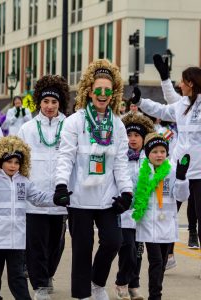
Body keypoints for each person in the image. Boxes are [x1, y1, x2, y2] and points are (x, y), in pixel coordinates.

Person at [54, 59, 133, 300]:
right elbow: (65, 157)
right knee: (82, 249)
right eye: (98, 89)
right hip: (79, 198)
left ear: (113, 94)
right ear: (89, 92)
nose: (102, 94)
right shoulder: (73, 122)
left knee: (113, 241)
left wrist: (127, 193)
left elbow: (120, 162)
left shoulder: (118, 125)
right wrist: (61, 185)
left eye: (107, 91)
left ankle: (98, 281)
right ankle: (82, 295)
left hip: (107, 197)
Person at [0, 135, 56, 300]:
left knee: (17, 277)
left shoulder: (23, 181)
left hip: (16, 239)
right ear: (0, 160)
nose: (13, 166)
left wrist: (57, 199)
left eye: (17, 162)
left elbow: (39, 198)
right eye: (9, 161)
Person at [132, 56, 201, 260]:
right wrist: (140, 101)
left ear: (191, 83)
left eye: (182, 81)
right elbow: (162, 109)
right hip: (178, 169)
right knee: (168, 212)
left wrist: (164, 79)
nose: (180, 84)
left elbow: (171, 96)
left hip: (200, 172)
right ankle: (166, 256)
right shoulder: (182, 104)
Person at [17, 74, 70, 300]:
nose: (49, 106)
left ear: (60, 103)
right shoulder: (27, 128)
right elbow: (18, 162)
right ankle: (39, 285)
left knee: (55, 244)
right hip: (34, 199)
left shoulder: (70, 126)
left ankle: (48, 274)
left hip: (60, 198)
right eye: (46, 102)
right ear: (39, 101)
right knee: (35, 244)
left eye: (54, 102)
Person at [132, 133, 190, 300]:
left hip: (167, 226)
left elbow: (181, 196)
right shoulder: (141, 173)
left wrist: (181, 179)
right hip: (148, 225)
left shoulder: (171, 172)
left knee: (162, 264)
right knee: (156, 261)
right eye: (155, 152)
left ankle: (155, 292)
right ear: (148, 154)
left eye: (162, 151)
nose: (159, 155)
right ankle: (155, 296)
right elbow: (134, 196)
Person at [114, 112, 155, 300]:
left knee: (138, 252)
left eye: (136, 135)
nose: (132, 139)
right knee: (128, 249)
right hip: (124, 213)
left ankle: (134, 285)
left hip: (142, 214)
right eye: (129, 135)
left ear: (143, 138)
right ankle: (121, 282)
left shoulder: (149, 159)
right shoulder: (119, 157)